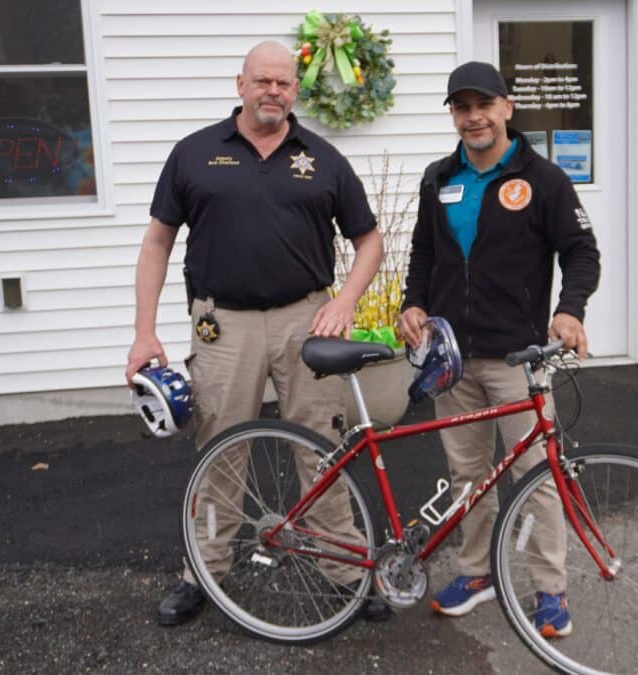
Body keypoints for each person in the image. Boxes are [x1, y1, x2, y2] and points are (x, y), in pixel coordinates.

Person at [124, 41, 390, 626]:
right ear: (240, 84)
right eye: (263, 80)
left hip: (307, 319)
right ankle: (204, 570)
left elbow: (369, 239)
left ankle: (345, 569)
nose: (273, 91)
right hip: (224, 324)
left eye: (284, 83)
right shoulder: (194, 154)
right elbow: (157, 242)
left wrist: (345, 300)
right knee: (221, 448)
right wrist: (144, 331)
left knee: (321, 448)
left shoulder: (323, 159)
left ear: (296, 91)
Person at [399, 61, 600, 637]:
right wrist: (413, 303)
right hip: (452, 358)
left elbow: (581, 252)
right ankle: (477, 573)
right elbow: (423, 253)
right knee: (468, 476)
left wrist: (570, 309)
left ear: (507, 107)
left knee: (536, 475)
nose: (474, 117)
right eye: (461, 108)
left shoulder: (544, 180)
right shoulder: (439, 178)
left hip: (517, 359)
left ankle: (550, 589)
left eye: (483, 105)